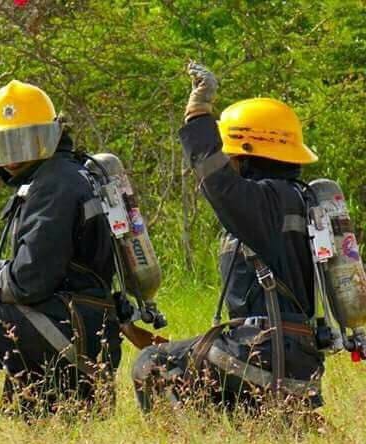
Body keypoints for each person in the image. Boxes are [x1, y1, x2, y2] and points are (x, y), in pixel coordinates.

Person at [0, 80, 122, 422]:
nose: (12, 155)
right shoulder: (70, 174)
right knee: (42, 431)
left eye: (22, 141)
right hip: (86, 329)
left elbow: (29, 282)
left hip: (65, 325)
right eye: (3, 143)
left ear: (47, 136)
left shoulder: (54, 184)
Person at [132, 63, 325, 412]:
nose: (228, 159)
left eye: (231, 151)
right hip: (295, 357)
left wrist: (198, 113)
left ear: (249, 152)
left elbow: (218, 183)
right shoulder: (295, 199)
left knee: (153, 363)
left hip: (263, 350)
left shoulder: (268, 200)